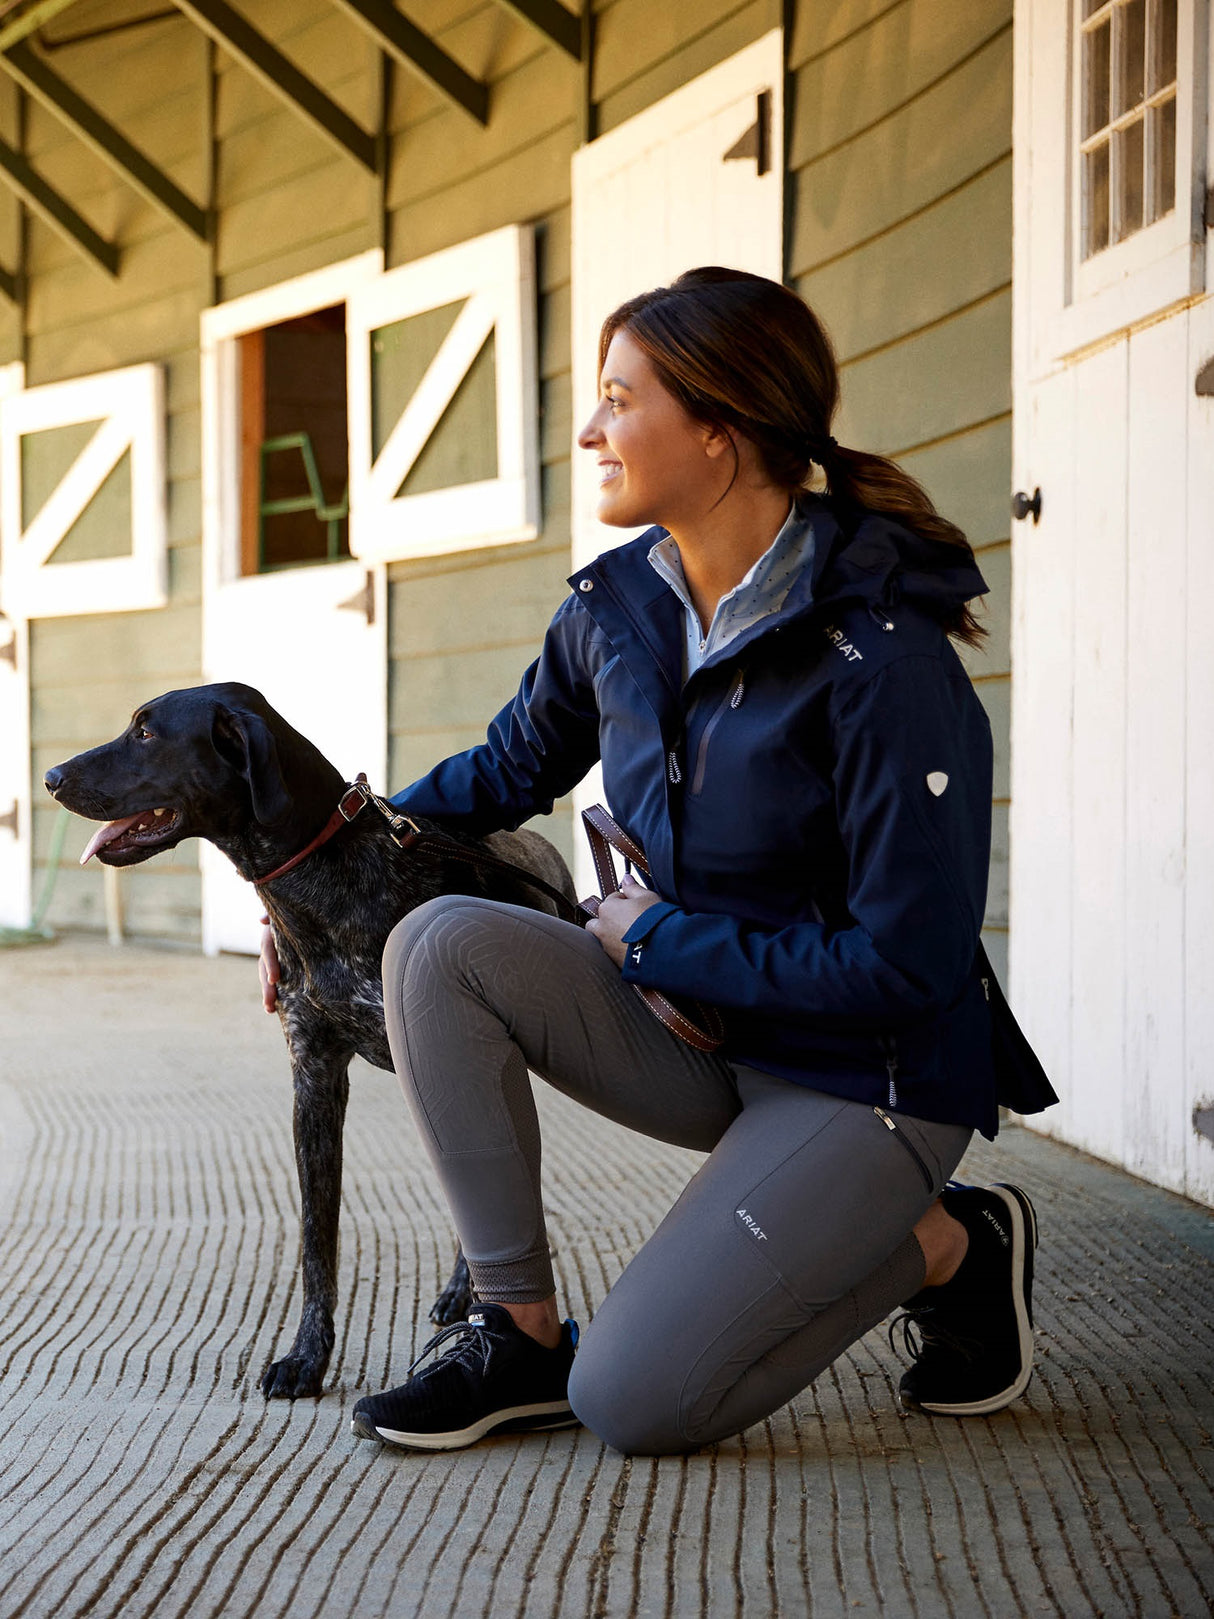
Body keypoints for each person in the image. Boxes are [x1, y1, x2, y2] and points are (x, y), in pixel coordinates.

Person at [264, 267, 1042, 1455]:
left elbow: (910, 965)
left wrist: (657, 937)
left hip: (861, 1075)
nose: (589, 430)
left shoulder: (884, 661)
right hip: (693, 1024)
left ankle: (948, 1240)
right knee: (435, 942)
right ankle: (513, 1325)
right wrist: (310, 881)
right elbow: (504, 769)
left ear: (718, 432)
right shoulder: (621, 605)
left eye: (619, 399)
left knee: (634, 1398)